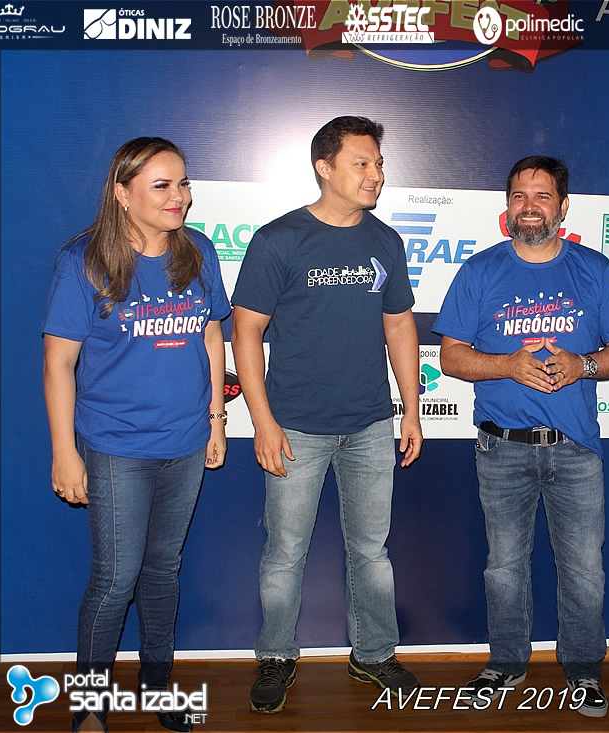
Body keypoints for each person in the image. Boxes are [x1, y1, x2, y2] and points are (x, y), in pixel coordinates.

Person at [434, 156, 609, 718]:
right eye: (519, 196)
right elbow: (451, 357)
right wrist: (507, 365)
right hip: (501, 448)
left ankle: (583, 670)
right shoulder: (479, 271)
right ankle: (506, 663)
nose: (530, 206)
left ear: (563, 206)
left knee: (584, 569)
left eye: (542, 196)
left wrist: (582, 366)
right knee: (503, 566)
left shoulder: (594, 270)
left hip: (575, 450)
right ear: (508, 207)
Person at [231, 116, 422, 713]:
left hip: (370, 425)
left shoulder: (385, 242)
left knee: (372, 550)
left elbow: (399, 325)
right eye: (362, 163)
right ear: (324, 167)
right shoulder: (279, 239)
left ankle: (374, 653)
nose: (375, 175)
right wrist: (263, 422)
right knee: (285, 552)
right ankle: (275, 655)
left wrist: (411, 410)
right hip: (295, 428)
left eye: (379, 164)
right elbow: (246, 331)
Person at [43, 137, 230, 733]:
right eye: (162, 186)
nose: (180, 197)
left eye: (183, 183)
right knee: (114, 580)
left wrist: (216, 419)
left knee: (162, 570)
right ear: (122, 194)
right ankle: (89, 705)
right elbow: (58, 364)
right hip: (116, 447)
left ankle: (156, 687)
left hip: (185, 444)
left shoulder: (198, 252)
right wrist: (64, 452)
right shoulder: (82, 261)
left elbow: (211, 336)